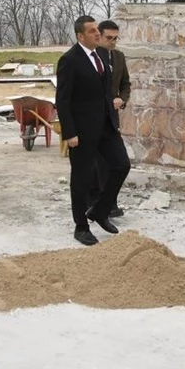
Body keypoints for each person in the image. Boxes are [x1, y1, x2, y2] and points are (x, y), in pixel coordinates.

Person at [55, 15, 129, 246]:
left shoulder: (101, 56)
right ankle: (81, 226)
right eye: (92, 31)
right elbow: (63, 99)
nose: (98, 34)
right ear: (80, 36)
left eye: (97, 30)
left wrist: (113, 121)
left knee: (121, 165)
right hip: (82, 131)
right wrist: (69, 133)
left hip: (106, 127)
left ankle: (100, 210)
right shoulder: (70, 60)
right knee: (81, 179)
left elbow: (107, 93)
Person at [87, 20, 130, 218]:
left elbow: (125, 84)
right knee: (96, 165)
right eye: (108, 38)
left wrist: (122, 99)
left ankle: (108, 203)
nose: (112, 42)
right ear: (99, 36)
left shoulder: (119, 57)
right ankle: (95, 204)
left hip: (112, 119)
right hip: (93, 119)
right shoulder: (91, 57)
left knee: (116, 164)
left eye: (115, 38)